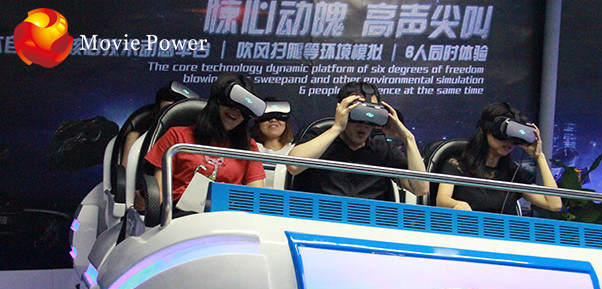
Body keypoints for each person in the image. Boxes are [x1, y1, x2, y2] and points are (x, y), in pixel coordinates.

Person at [144, 73, 265, 213]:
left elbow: (257, 199)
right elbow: (158, 194)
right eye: (232, 105)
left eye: (243, 110)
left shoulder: (248, 147)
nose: (236, 112)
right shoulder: (176, 137)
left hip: (228, 216)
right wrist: (146, 201)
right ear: (217, 101)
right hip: (180, 215)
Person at [288, 81, 428, 200]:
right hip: (321, 215)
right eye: (357, 112)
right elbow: (294, 166)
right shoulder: (318, 136)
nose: (363, 124)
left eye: (370, 115)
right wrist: (336, 128)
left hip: (369, 219)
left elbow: (420, 188)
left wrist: (408, 139)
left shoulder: (384, 149)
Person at [435, 102, 562, 215]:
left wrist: (539, 157)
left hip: (503, 232)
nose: (508, 142)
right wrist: (457, 204)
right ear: (487, 131)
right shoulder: (457, 165)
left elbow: (554, 204)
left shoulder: (512, 174)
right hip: (466, 230)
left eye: (513, 138)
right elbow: (442, 200)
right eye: (503, 135)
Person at [251, 98, 294, 188]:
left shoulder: (295, 150)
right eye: (267, 117)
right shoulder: (250, 148)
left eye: (279, 116)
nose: (273, 120)